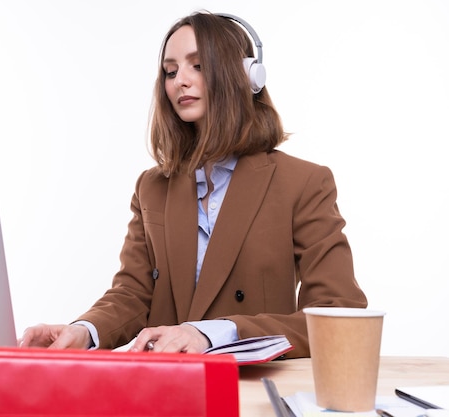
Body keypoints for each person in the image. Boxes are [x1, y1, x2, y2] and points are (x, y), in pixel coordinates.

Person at [18, 11, 367, 358]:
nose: (179, 81)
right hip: (166, 390)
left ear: (246, 76)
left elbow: (339, 313)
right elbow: (133, 294)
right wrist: (84, 331)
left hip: (252, 391)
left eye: (197, 66)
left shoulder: (303, 182)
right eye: (171, 71)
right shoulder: (151, 187)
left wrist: (212, 334)